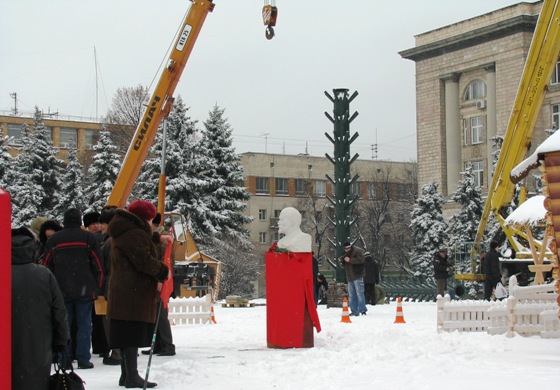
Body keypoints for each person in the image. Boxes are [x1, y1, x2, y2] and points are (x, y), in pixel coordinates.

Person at [107, 200, 169, 388]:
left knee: (126, 333)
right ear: (145, 218)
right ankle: (132, 376)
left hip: (124, 289)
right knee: (131, 333)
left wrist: (157, 239)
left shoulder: (126, 229)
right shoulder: (134, 233)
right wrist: (163, 271)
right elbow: (143, 260)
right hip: (132, 291)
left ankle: (126, 375)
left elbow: (140, 245)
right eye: (150, 219)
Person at [43, 208, 104, 370]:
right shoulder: (88, 238)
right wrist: (97, 286)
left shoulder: (54, 240)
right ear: (80, 221)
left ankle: (65, 358)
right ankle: (83, 358)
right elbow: (98, 264)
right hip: (85, 288)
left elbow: (45, 264)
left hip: (61, 289)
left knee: (65, 324)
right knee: (85, 324)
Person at [11, 226, 69, 390]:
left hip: (7, 343)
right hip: (39, 343)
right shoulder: (44, 274)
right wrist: (61, 341)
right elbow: (59, 311)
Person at [141, 214, 176, 357]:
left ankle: (167, 344)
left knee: (160, 314)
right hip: (155, 278)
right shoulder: (159, 237)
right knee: (155, 314)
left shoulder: (162, 239)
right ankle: (157, 344)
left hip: (159, 280)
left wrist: (160, 280)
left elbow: (164, 261)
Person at [98, 205, 122, 365]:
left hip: (112, 286)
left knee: (110, 321)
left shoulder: (110, 242)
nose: (100, 227)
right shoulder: (121, 238)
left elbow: (104, 267)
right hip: (121, 286)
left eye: (103, 224)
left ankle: (117, 353)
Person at [339, 241, 367, 316]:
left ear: (350, 247)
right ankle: (354, 311)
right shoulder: (344, 254)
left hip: (357, 275)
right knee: (352, 295)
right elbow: (343, 266)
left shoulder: (358, 251)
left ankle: (362, 310)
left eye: (348, 248)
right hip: (350, 277)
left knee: (359, 293)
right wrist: (342, 262)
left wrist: (350, 260)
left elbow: (361, 260)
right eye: (345, 249)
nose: (347, 250)